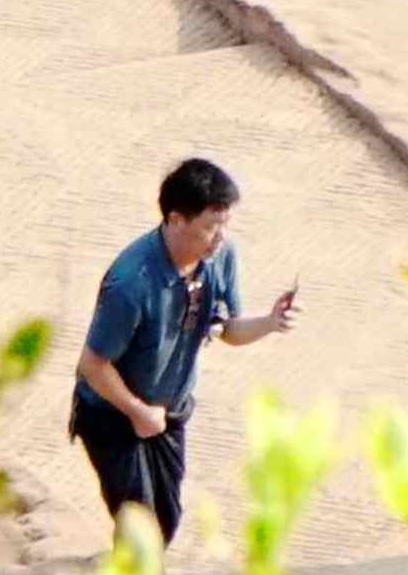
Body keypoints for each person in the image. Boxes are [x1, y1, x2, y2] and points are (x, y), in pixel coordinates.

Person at [71, 153, 297, 554]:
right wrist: (138, 412)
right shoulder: (131, 284)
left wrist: (269, 322)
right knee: (142, 533)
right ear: (176, 219)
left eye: (224, 225)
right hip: (112, 415)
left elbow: (226, 329)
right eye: (210, 228)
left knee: (167, 520)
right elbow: (93, 364)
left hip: (170, 411)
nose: (219, 238)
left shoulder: (219, 258)